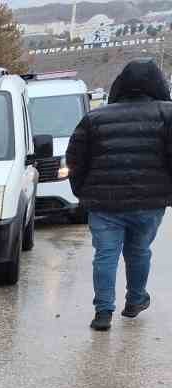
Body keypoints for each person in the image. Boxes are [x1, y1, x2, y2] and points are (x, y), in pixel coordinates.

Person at [65, 58, 172, 331]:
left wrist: (82, 191)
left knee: (105, 255)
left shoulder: (95, 118)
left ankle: (103, 312)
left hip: (104, 204)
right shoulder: (167, 114)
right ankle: (135, 300)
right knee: (139, 251)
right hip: (149, 202)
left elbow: (75, 159)